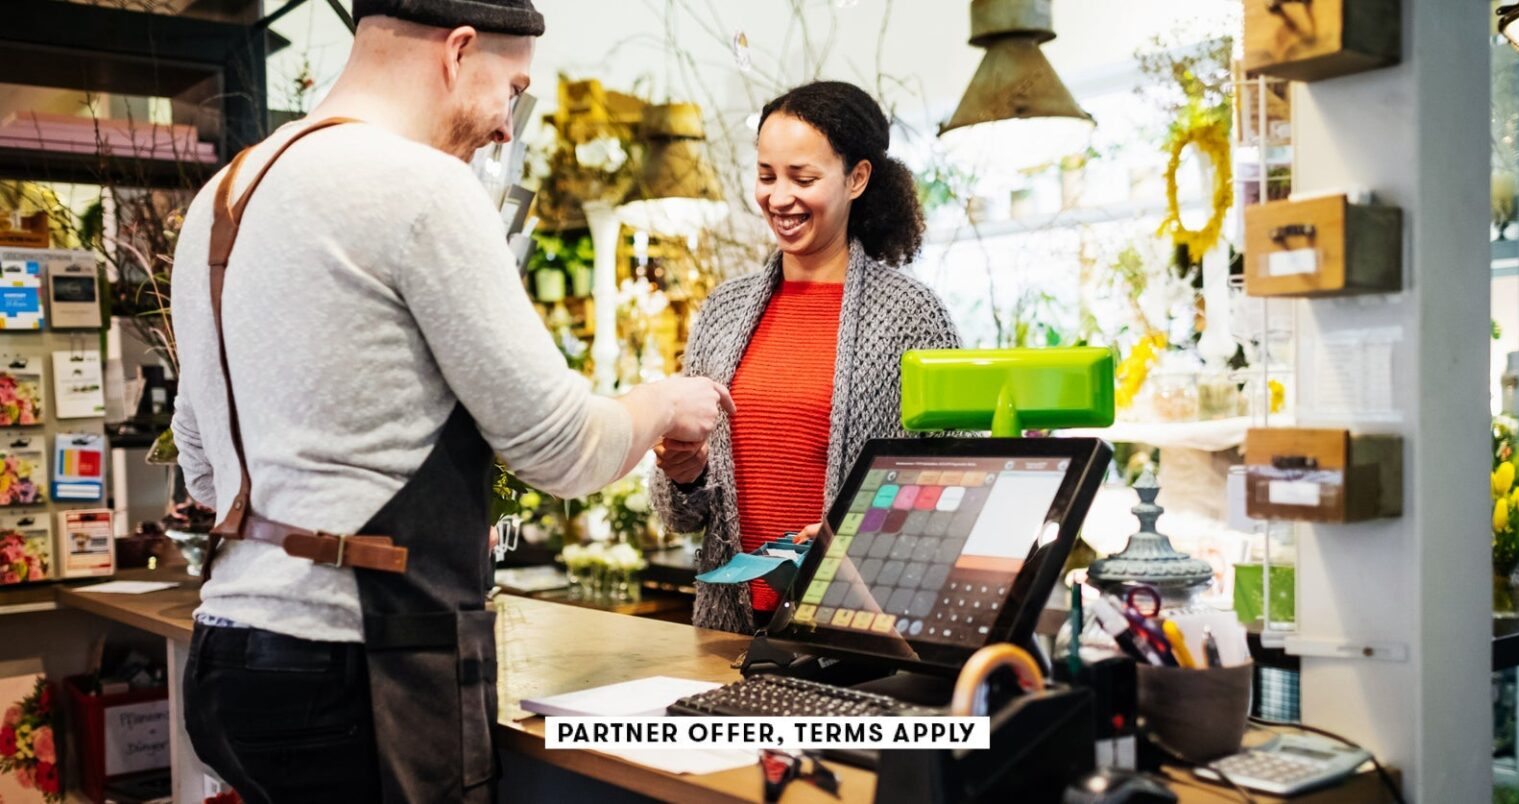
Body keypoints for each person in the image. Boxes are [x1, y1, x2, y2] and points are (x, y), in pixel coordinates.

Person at [169, 2, 732, 801]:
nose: (508, 127)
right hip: (359, 667)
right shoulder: (421, 186)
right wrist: (664, 404)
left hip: (229, 657)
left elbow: (199, 468)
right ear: (457, 51)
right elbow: (562, 449)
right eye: (513, 89)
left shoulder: (223, 197)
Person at [651, 81, 962, 635]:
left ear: (857, 178)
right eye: (767, 175)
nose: (778, 197)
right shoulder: (723, 312)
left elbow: (957, 485)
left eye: (804, 178)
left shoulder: (910, 315)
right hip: (729, 631)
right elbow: (682, 516)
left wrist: (856, 532)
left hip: (861, 633)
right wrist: (684, 474)